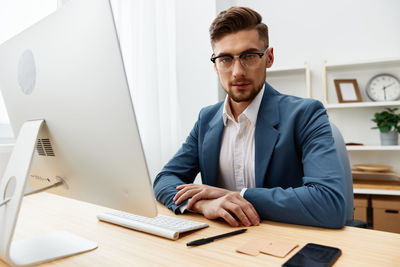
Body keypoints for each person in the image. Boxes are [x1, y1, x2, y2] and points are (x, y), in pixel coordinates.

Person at [153, 6, 346, 229]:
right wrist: (202, 205)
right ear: (215, 65)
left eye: (249, 56)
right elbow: (165, 179)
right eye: (225, 59)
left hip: (285, 244)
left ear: (269, 57)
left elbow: (330, 204)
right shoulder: (207, 119)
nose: (237, 72)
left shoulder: (306, 114)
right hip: (222, 243)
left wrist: (237, 195)